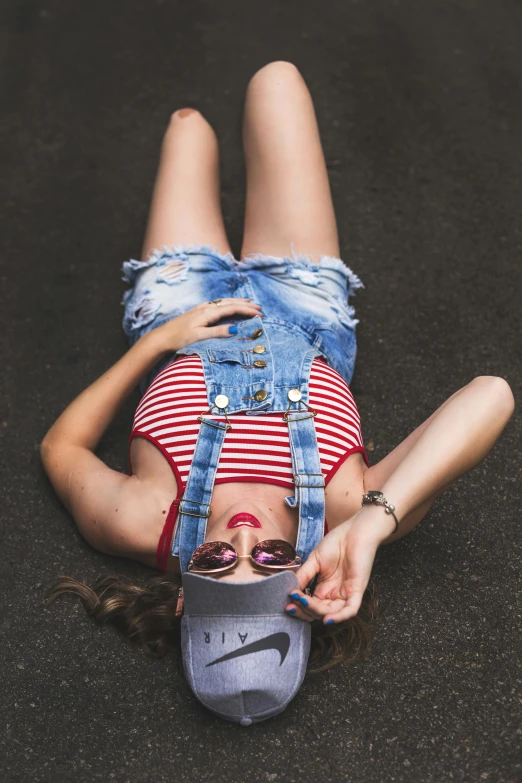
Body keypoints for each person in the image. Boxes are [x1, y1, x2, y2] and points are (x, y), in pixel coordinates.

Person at [41, 61, 515, 725]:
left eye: (213, 561)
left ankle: (190, 121)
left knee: (187, 127)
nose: (241, 538)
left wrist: (152, 345)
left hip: (178, 306)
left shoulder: (143, 518)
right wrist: (378, 524)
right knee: (277, 82)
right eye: (268, 559)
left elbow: (60, 444)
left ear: (184, 595)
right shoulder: (352, 509)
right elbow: (491, 395)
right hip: (302, 301)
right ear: (305, 571)